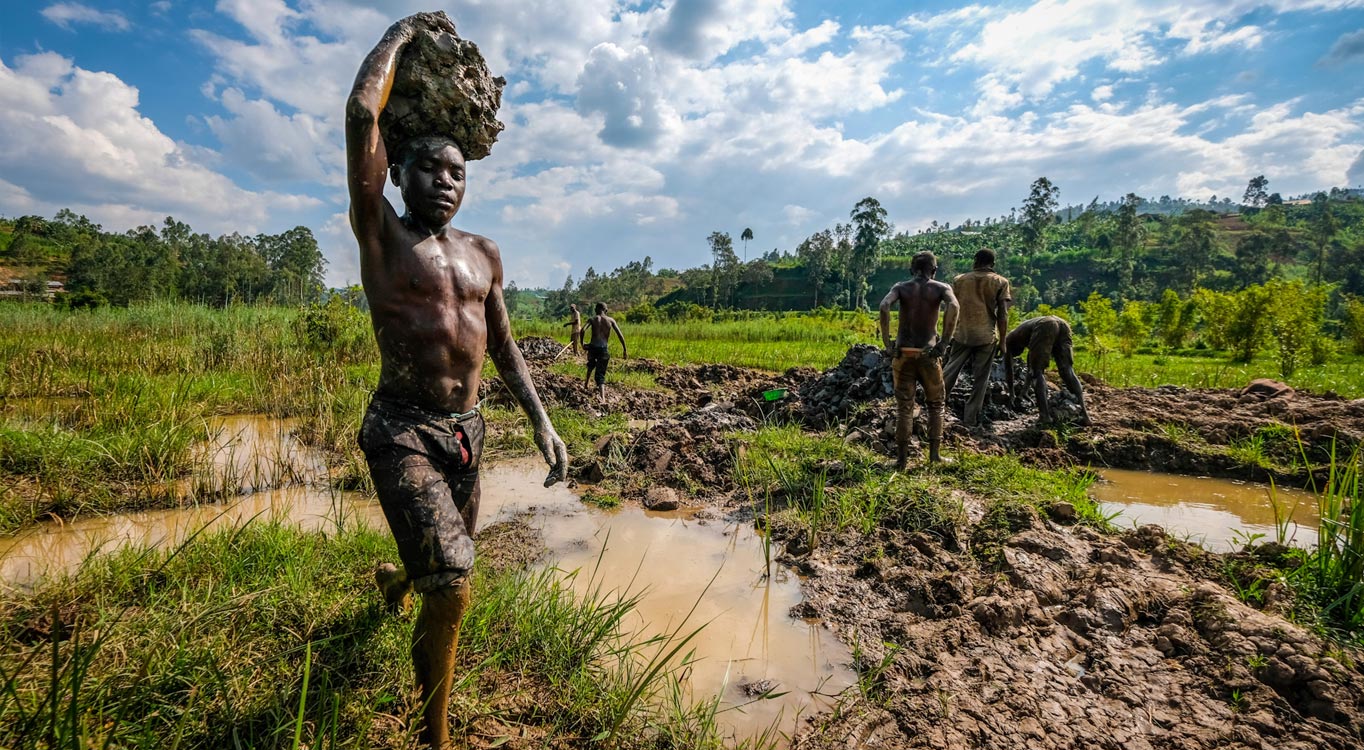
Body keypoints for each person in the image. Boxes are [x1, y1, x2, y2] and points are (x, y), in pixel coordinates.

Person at [346, 12, 568, 749]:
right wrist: (402, 34)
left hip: (468, 434)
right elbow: (361, 116)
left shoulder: (484, 253)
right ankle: (434, 738)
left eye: (457, 172)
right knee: (453, 584)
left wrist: (541, 421)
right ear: (397, 174)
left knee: (441, 565)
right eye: (428, 170)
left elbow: (503, 344)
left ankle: (396, 581)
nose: (444, 182)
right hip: (402, 430)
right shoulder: (382, 235)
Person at [878, 251, 960, 468]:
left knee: (904, 407)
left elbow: (884, 306)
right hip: (928, 354)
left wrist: (888, 344)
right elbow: (954, 306)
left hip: (903, 354)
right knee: (936, 404)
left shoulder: (901, 287)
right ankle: (934, 456)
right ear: (934, 270)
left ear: (911, 270)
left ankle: (901, 460)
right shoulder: (941, 288)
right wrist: (944, 343)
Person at [942, 248, 1012, 427]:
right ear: (992, 264)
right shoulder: (1000, 282)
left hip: (962, 334)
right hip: (985, 336)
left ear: (975, 261)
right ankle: (970, 418)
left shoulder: (960, 280)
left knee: (950, 371)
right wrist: (1003, 341)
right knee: (980, 380)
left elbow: (951, 309)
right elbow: (1003, 314)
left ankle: (936, 406)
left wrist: (946, 335)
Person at [1004, 315, 1091, 426]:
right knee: (1067, 371)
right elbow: (1031, 366)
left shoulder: (1008, 341)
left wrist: (1011, 394)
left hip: (1045, 325)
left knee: (1037, 373)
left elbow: (1009, 369)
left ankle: (1044, 416)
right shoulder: (1026, 338)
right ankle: (1085, 416)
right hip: (1062, 324)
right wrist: (1024, 391)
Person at [583, 302, 627, 402]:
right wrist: (624, 349)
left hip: (593, 347)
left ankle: (586, 383)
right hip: (603, 349)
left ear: (596, 309)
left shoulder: (592, 319)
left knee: (591, 364)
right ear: (605, 310)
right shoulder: (611, 320)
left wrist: (582, 343)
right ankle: (602, 398)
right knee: (600, 374)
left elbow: (582, 330)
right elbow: (620, 335)